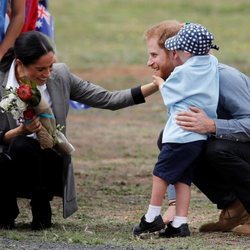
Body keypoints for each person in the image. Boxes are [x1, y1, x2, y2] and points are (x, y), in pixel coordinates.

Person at [0, 30, 158, 230]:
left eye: (50, 66)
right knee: (19, 144)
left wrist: (156, 85)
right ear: (20, 64)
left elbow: (107, 99)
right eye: (40, 69)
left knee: (26, 146)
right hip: (8, 164)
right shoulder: (2, 81)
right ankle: (6, 210)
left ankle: (41, 205)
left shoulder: (60, 75)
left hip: (48, 162)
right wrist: (20, 131)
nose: (47, 74)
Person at [145, 19, 250, 236]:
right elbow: (175, 143)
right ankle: (235, 207)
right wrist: (174, 204)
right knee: (171, 138)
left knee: (217, 149)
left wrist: (213, 125)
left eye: (154, 55)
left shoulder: (223, 76)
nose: (149, 63)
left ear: (175, 53)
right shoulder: (183, 82)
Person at [133, 23, 219, 238]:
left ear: (186, 52)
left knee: (160, 175)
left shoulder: (183, 71)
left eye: (176, 51)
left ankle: (151, 217)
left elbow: (169, 96)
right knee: (182, 179)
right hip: (197, 137)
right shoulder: (212, 63)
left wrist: (160, 83)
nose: (174, 54)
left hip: (180, 135)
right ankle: (180, 223)